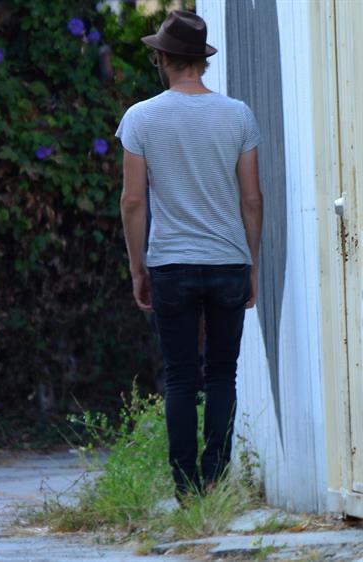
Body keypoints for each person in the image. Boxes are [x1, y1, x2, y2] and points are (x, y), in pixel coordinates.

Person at [116, 11, 263, 499]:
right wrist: (251, 264)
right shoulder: (238, 114)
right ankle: (215, 478)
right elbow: (252, 199)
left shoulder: (141, 117)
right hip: (227, 260)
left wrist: (139, 266)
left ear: (163, 59)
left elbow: (133, 201)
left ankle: (185, 489)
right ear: (201, 60)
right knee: (222, 373)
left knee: (180, 376)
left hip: (171, 264)